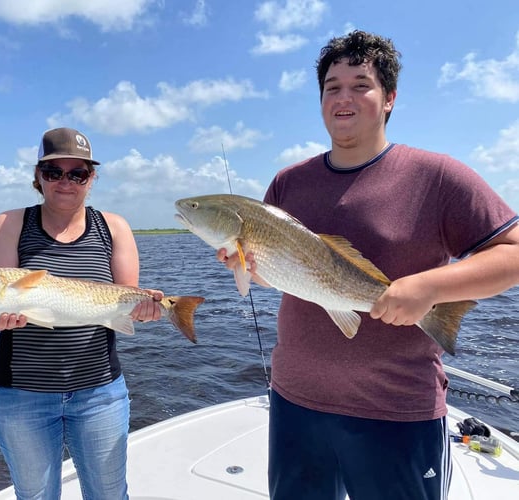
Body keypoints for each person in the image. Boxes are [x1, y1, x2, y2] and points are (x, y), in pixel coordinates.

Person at [217, 30, 519, 500]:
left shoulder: (438, 176)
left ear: (390, 97)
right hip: (296, 402)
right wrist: (247, 264)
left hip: (397, 410)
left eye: (361, 84)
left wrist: (429, 289)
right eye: (332, 87)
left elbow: (513, 251)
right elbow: (281, 276)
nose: (344, 97)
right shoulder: (286, 183)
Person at [0, 127, 162, 499]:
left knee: (109, 494)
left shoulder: (114, 227)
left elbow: (124, 300)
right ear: (38, 178)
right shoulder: (10, 224)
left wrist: (145, 310)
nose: (66, 181)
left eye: (77, 173)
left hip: (100, 392)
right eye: (53, 172)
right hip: (22, 395)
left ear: (91, 178)